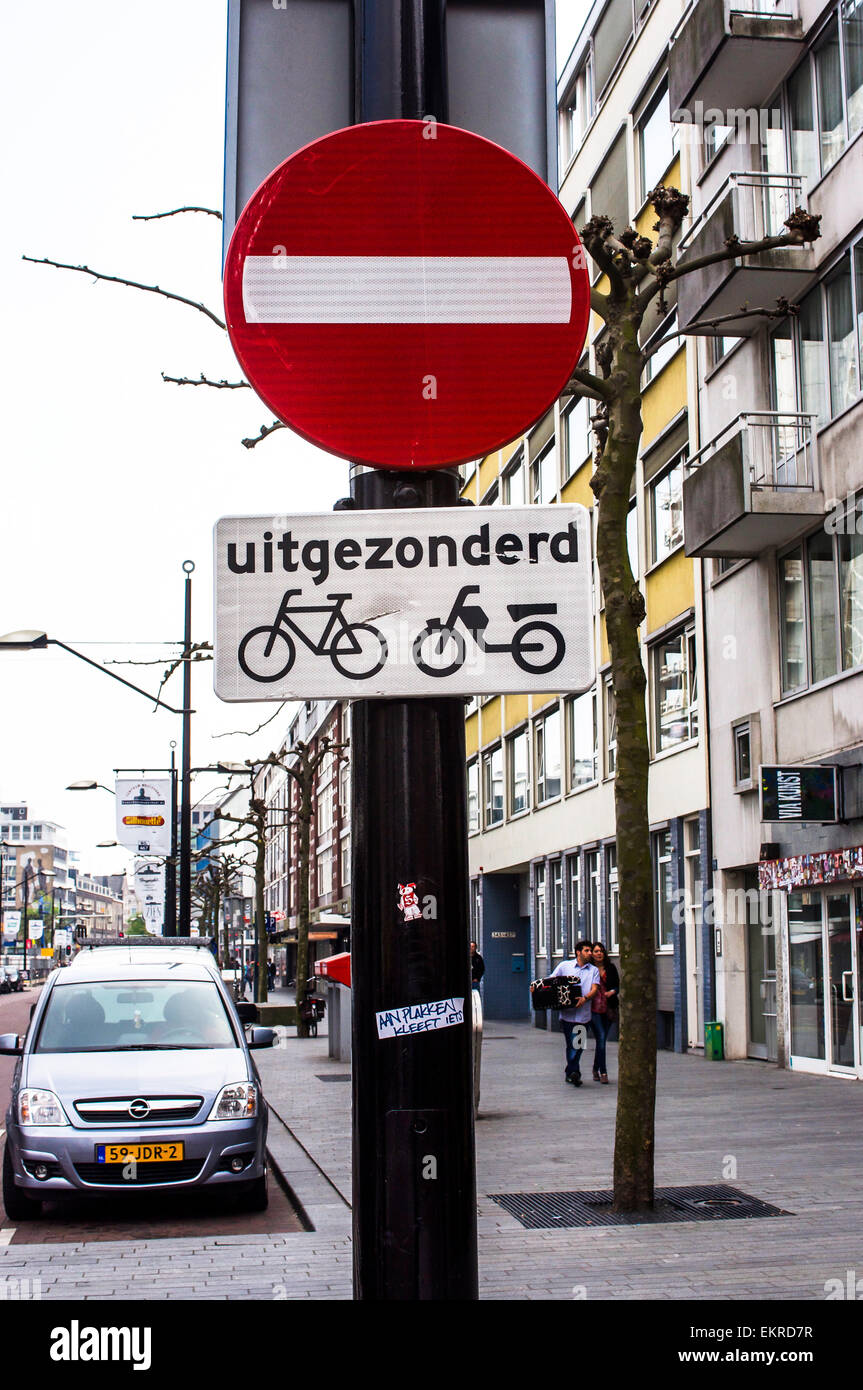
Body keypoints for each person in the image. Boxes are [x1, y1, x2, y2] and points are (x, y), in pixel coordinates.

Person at [550, 940, 599, 1087]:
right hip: (567, 1014)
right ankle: (573, 1072)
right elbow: (551, 980)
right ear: (578, 952)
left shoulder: (593, 970)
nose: (590, 953)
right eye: (587, 950)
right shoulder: (565, 966)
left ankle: (571, 1072)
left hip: (583, 1015)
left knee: (578, 1045)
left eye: (590, 951)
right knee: (571, 1045)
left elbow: (595, 989)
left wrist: (585, 998)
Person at [589, 941, 620, 1084]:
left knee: (601, 1040)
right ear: (592, 954)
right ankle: (604, 1072)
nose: (599, 953)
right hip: (593, 1009)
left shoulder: (611, 968)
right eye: (596, 951)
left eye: (601, 951)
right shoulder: (588, 969)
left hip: (608, 1008)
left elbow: (617, 986)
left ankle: (595, 1068)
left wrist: (612, 992)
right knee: (601, 1038)